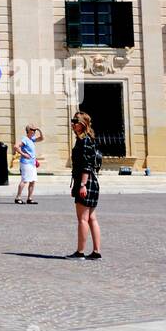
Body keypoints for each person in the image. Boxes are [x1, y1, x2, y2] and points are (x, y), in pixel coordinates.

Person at [69, 111, 101, 259]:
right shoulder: (86, 139)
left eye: (75, 121)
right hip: (90, 182)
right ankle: (96, 251)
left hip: (86, 182)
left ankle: (80, 252)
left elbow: (87, 165)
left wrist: (81, 185)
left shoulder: (84, 141)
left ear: (82, 124)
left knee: (82, 218)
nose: (73, 124)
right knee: (91, 218)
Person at [13, 124, 43, 204]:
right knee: (25, 180)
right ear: (28, 130)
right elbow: (16, 146)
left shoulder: (31, 139)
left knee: (32, 181)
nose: (34, 131)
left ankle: (29, 198)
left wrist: (39, 129)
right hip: (26, 163)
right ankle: (18, 197)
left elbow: (41, 138)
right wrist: (23, 154)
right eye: (32, 130)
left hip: (32, 163)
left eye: (34, 130)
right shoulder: (25, 139)